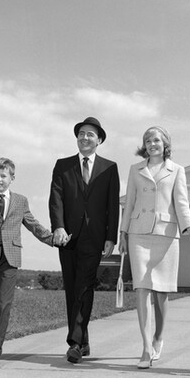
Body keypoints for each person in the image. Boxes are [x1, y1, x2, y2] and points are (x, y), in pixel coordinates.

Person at [119, 126, 190, 369]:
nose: (152, 144)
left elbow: (182, 204)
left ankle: (158, 337)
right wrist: (123, 233)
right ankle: (146, 348)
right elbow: (130, 202)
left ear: (165, 143)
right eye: (147, 140)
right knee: (142, 288)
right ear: (144, 146)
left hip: (166, 235)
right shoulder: (135, 169)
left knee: (162, 292)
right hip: (138, 234)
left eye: (156, 140)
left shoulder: (177, 170)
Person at [0, 157, 54, 371]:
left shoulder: (20, 201)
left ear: (12, 178)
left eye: (3, 176)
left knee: (1, 306)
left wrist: (52, 239)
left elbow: (33, 224)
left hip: (10, 260)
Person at [48, 116, 120, 364]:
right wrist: (58, 227)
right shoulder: (62, 165)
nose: (85, 138)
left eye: (90, 134)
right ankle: (84, 340)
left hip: (94, 237)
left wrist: (111, 237)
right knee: (72, 288)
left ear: (99, 140)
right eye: (81, 134)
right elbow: (55, 199)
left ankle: (75, 343)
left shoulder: (110, 168)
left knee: (85, 286)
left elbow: (112, 205)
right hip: (67, 237)